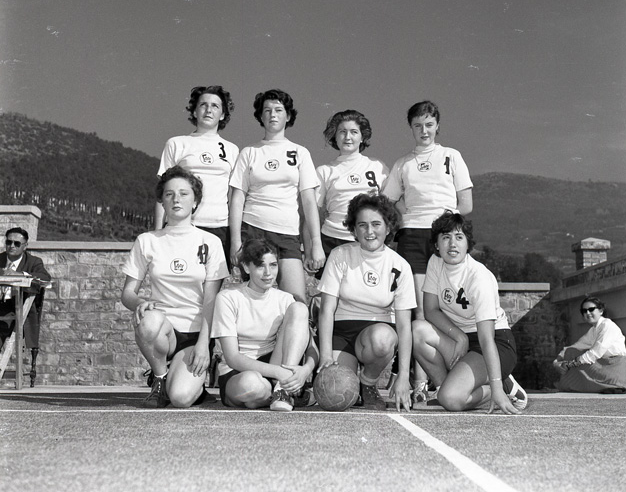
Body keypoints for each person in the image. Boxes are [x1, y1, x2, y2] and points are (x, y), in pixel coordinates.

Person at [382, 100, 473, 402]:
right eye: (418, 125)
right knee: (420, 310)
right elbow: (387, 199)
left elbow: (466, 204)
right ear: (411, 128)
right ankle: (420, 383)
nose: (424, 130)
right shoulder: (403, 163)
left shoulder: (451, 156)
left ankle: (456, 372)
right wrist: (407, 212)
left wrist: (446, 225)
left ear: (437, 126)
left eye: (429, 124)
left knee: (447, 307)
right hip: (412, 236)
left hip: (442, 236)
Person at [122, 166, 228, 408]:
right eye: (169, 194)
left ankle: (188, 383)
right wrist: (140, 303)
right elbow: (127, 294)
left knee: (180, 398)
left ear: (195, 201)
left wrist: (204, 345)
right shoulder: (147, 241)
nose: (176, 199)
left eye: (183, 193)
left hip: (194, 334)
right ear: (162, 201)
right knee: (148, 320)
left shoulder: (210, 242)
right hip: (163, 331)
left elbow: (211, 300)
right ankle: (159, 378)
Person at [412, 211, 527, 414]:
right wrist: (459, 336)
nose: (452, 244)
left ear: (468, 244)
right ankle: (443, 389)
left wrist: (496, 387)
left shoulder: (479, 278)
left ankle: (500, 387)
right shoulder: (435, 262)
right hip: (459, 338)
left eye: (459, 237)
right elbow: (430, 310)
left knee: (452, 399)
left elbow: (486, 339)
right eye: (445, 237)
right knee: (417, 330)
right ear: (437, 244)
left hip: (494, 343)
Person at [317, 193, 416, 412]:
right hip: (341, 333)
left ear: (388, 228)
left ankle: (368, 383)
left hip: (376, 334)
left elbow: (404, 326)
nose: (369, 231)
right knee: (336, 392)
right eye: (362, 225)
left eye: (376, 224)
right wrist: (325, 355)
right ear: (354, 229)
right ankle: (350, 380)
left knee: (382, 340)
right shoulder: (340, 255)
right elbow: (326, 310)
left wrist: (402, 376)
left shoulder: (400, 266)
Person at [229, 89, 324, 303]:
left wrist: (315, 243)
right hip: (253, 229)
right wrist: (236, 241)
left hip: (287, 234)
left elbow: (309, 202)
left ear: (288, 116)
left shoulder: (300, 152)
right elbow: (237, 199)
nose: (273, 114)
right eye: (267, 110)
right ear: (260, 116)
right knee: (255, 300)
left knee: (296, 301)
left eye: (278, 110)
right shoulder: (249, 152)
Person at [212, 238, 315, 411]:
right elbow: (233, 358)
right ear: (246, 267)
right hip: (238, 372)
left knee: (299, 308)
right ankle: (284, 393)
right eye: (260, 266)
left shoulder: (285, 299)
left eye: (273, 265)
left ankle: (282, 391)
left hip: (275, 368)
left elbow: (312, 347)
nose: (268, 273)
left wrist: (305, 370)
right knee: (253, 385)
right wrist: (280, 373)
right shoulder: (228, 298)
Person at [155, 85, 239, 265]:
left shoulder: (232, 150)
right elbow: (163, 193)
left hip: (220, 228)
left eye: (215, 106)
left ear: (223, 114)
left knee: (213, 282)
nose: (209, 110)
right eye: (203, 105)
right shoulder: (177, 144)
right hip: (182, 226)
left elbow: (234, 198)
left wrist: (234, 240)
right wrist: (157, 233)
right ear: (194, 111)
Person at [314, 110, 389, 260]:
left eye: (354, 132)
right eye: (342, 132)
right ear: (335, 136)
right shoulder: (324, 171)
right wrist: (311, 247)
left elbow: (389, 207)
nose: (348, 137)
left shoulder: (378, 166)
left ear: (362, 137)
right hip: (332, 239)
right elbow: (313, 213)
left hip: (369, 239)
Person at [0, 227, 52, 386]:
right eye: (9, 242)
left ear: (25, 246)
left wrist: (20, 275)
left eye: (17, 243)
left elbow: (45, 278)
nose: (12, 246)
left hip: (18, 308)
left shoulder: (33, 262)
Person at [553, 296, 626, 394]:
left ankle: (615, 386)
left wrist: (571, 364)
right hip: (602, 367)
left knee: (574, 365)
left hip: (613, 369)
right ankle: (571, 384)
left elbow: (596, 352)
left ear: (601, 311)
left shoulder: (607, 325)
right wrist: (557, 361)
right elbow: (578, 345)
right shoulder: (594, 330)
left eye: (591, 309)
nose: (588, 313)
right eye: (584, 311)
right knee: (571, 352)